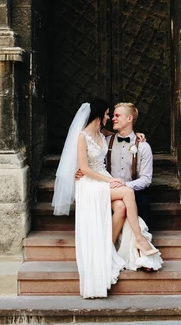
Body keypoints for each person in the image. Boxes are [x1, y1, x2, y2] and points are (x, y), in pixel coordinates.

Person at [52, 98, 162, 299]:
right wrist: (107, 181)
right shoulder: (82, 136)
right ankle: (140, 239)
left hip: (104, 180)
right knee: (127, 193)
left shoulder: (105, 135)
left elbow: (122, 136)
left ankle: (107, 249)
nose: (110, 117)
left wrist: (137, 135)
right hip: (91, 182)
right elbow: (84, 168)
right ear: (99, 115)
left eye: (114, 115)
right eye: (107, 114)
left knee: (120, 207)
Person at [107, 103, 153, 243]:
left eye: (117, 115)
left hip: (132, 189)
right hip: (109, 189)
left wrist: (125, 185)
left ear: (129, 119)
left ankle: (141, 246)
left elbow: (146, 179)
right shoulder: (106, 142)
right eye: (113, 115)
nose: (113, 118)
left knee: (143, 202)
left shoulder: (143, 146)